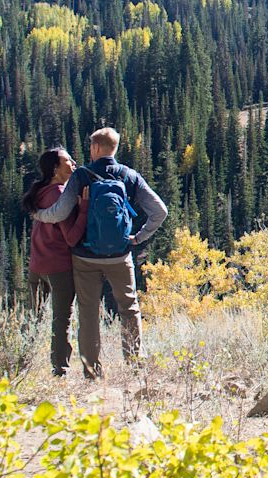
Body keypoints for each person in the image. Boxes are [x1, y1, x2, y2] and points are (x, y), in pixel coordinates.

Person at [31, 127, 167, 379]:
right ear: (115, 148)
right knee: (129, 308)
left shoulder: (82, 176)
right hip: (120, 254)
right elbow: (160, 211)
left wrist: (39, 215)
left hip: (85, 257)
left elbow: (59, 213)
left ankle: (92, 372)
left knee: (88, 312)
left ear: (94, 148)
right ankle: (134, 363)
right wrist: (138, 237)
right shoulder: (128, 175)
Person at [22, 147, 89, 376]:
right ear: (55, 168)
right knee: (62, 319)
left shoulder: (40, 192)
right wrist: (84, 211)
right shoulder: (61, 194)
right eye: (67, 160)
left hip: (36, 265)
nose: (73, 163)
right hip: (58, 267)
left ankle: (23, 363)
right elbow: (71, 238)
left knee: (33, 315)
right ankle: (60, 368)